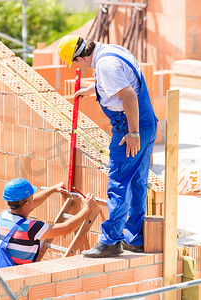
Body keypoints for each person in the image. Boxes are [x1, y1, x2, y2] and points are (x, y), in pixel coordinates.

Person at [57, 35, 158, 258]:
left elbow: (129, 96)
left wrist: (132, 133)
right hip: (148, 123)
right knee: (137, 181)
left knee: (119, 182)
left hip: (130, 128)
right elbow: (123, 82)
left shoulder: (104, 65)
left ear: (80, 59)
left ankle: (111, 241)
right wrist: (94, 89)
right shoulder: (111, 51)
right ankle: (135, 238)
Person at [0, 178, 96, 268]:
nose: (33, 199)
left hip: (0, 274)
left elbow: (30, 205)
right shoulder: (31, 227)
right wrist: (87, 208)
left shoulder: (2, 217)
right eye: (32, 198)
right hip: (16, 281)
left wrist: (52, 189)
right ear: (26, 204)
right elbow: (67, 228)